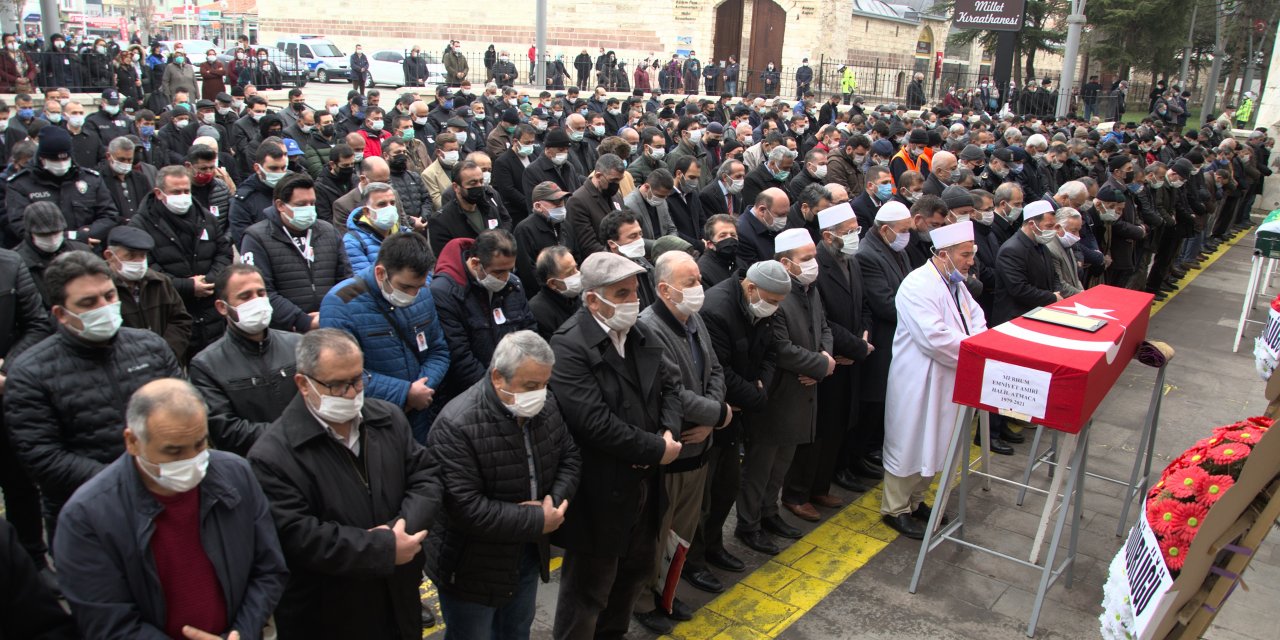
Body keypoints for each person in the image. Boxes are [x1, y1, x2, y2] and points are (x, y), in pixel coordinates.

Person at [54, 378, 288, 639]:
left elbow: (268, 567)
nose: (191, 460)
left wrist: (241, 632)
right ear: (132, 442)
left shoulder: (236, 474)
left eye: (200, 445)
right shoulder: (87, 517)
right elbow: (108, 621)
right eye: (173, 452)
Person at [248, 329, 440, 639]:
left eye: (357, 380)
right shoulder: (273, 457)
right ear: (303, 384)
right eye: (337, 385)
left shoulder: (387, 419)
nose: (351, 394)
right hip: (331, 612)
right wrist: (382, 549)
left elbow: (425, 478)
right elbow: (300, 538)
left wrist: (401, 530)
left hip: (398, 595)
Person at [548, 251, 684, 639]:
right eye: (622, 294)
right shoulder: (569, 346)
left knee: (634, 574)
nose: (633, 301)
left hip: (644, 486)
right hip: (601, 491)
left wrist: (669, 432)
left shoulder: (639, 333)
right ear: (593, 299)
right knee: (589, 589)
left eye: (634, 292)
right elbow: (594, 423)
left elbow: (671, 385)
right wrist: (655, 449)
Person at [4, 251, 181, 542]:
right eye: (88, 303)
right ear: (60, 314)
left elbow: (183, 410)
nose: (104, 307)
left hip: (166, 500)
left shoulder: (151, 347)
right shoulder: (30, 374)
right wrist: (129, 479)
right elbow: (44, 458)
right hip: (89, 517)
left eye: (109, 296)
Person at [424, 330, 580, 639]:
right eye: (531, 386)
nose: (540, 393)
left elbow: (570, 457)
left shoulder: (545, 407)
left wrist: (554, 503)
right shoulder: (456, 425)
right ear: (498, 377)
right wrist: (537, 519)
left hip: (527, 553)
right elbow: (465, 508)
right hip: (473, 568)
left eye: (545, 384)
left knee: (517, 630)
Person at [631, 251, 729, 632]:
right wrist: (717, 415)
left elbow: (715, 369)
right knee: (656, 535)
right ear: (664, 289)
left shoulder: (695, 319)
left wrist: (713, 417)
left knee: (681, 534)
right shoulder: (648, 328)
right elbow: (670, 393)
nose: (698, 289)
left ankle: (666, 593)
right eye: (689, 283)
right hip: (674, 453)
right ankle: (643, 600)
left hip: (700, 445)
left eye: (699, 280)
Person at [880, 221, 986, 539]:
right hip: (920, 380)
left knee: (939, 442)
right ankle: (895, 508)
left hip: (950, 377)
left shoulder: (956, 283)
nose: (970, 261)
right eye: (965, 255)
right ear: (944, 254)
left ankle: (917, 501)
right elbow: (934, 338)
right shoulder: (918, 285)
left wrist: (977, 347)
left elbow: (976, 319)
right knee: (911, 443)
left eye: (972, 254)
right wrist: (975, 351)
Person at [734, 228, 833, 553]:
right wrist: (819, 366)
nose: (813, 263)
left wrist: (825, 359)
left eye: (814, 256)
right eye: (807, 259)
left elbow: (824, 328)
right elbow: (781, 347)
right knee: (760, 466)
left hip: (803, 394)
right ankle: (749, 524)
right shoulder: (773, 295)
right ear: (785, 262)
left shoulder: (809, 289)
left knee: (781, 464)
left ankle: (769, 513)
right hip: (776, 396)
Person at [188, 264, 300, 456]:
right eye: (245, 296)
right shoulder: (206, 365)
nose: (257, 301)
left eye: (261, 293)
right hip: (258, 462)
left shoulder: (297, 344)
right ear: (222, 307)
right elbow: (225, 430)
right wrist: (293, 432)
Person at [129, 165, 232, 360]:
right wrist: (187, 286)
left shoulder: (205, 218)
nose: (183, 196)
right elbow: (146, 266)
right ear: (159, 193)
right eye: (176, 192)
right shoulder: (141, 225)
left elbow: (224, 253)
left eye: (186, 191)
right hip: (171, 312)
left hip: (211, 310)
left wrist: (209, 280)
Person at [431, 230, 536, 409]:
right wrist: (497, 392)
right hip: (475, 396)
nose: (505, 279)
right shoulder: (446, 293)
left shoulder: (513, 285)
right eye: (498, 272)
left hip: (516, 384)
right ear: (475, 263)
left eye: (509, 270)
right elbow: (460, 356)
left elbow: (529, 330)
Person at [239, 173, 352, 333]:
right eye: (301, 204)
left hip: (330, 326)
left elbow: (345, 279)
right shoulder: (256, 238)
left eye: (312, 203)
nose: (308, 209)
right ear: (280, 205)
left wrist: (331, 314)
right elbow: (262, 290)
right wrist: (302, 320)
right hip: (286, 332)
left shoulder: (328, 231)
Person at [0, 246, 54, 583]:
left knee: (19, 481)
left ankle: (34, 561)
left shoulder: (9, 264)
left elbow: (36, 324)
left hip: (7, 392)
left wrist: (9, 369)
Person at [6, 126, 120, 246]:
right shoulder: (21, 184)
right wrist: (71, 237)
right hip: (45, 254)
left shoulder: (90, 179)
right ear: (42, 158)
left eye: (65, 159)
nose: (61, 164)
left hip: (88, 249)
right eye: (54, 160)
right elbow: (20, 225)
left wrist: (89, 233)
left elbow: (109, 215)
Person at [104, 225, 192, 361]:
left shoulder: (160, 282)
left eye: (143, 255)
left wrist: (166, 352)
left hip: (165, 364)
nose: (139, 262)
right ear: (110, 256)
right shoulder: (101, 291)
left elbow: (180, 320)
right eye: (131, 256)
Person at [229, 140, 289, 246]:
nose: (280, 173)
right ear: (257, 168)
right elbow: (244, 242)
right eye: (273, 168)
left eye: (283, 168)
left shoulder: (293, 185)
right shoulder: (244, 200)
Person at [528, 245, 582, 340]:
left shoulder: (578, 297)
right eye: (570, 273)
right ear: (552, 283)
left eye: (576, 268)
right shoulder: (538, 311)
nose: (578, 274)